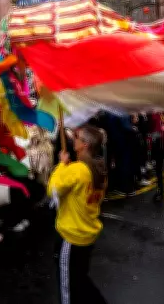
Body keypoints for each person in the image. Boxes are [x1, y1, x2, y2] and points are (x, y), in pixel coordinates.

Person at [48, 125, 108, 304]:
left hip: (72, 237)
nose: (73, 139)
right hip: (87, 235)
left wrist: (61, 165)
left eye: (77, 137)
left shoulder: (78, 169)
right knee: (80, 279)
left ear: (85, 145)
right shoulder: (100, 168)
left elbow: (53, 190)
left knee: (68, 287)